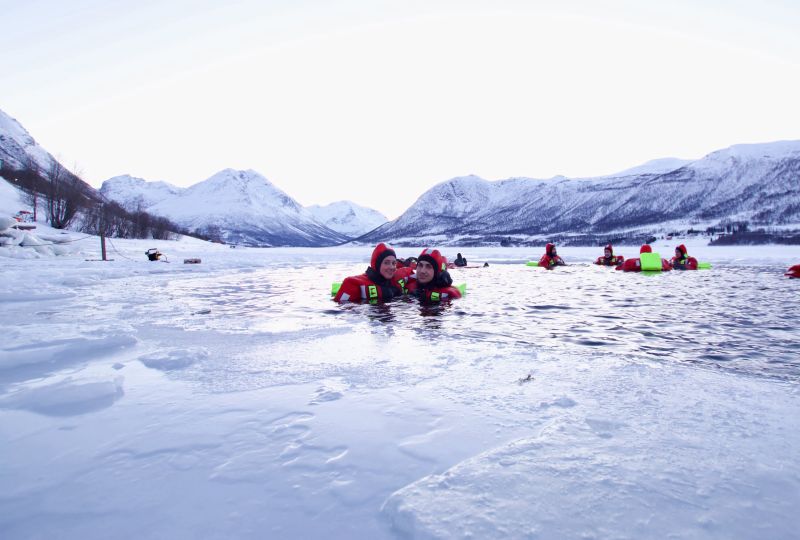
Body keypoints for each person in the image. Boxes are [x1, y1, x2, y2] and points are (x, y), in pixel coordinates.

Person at [333, 243, 409, 303]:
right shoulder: (353, 283)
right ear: (377, 264)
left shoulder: (395, 279)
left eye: (393, 263)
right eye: (386, 263)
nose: (391, 267)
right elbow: (341, 311)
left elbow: (411, 271)